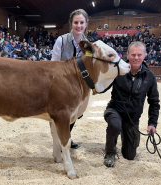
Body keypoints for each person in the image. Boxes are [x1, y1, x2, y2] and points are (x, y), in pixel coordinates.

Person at [103, 41, 160, 168]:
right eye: (133, 55)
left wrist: (152, 123)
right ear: (127, 55)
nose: (136, 58)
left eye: (139, 55)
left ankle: (125, 133)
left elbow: (154, 102)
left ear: (145, 55)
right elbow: (101, 87)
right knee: (115, 124)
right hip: (114, 110)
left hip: (132, 118)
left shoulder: (150, 76)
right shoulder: (117, 71)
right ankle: (110, 152)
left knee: (129, 155)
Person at [51, 9, 89, 149]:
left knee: (75, 114)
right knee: (62, 114)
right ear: (71, 24)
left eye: (81, 22)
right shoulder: (61, 40)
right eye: (76, 22)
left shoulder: (88, 45)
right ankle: (62, 141)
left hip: (78, 86)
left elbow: (89, 65)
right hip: (61, 84)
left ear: (85, 24)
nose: (79, 25)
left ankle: (67, 137)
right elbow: (54, 63)